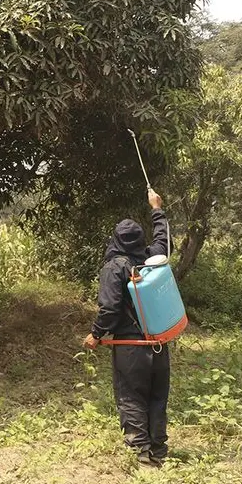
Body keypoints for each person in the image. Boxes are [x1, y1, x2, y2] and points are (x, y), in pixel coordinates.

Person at [83, 189, 171, 468]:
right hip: (159, 343)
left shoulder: (115, 267)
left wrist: (96, 334)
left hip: (130, 348)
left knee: (131, 396)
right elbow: (164, 241)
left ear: (116, 241)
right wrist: (157, 209)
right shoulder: (153, 258)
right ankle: (158, 450)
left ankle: (142, 455)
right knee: (157, 396)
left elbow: (110, 309)